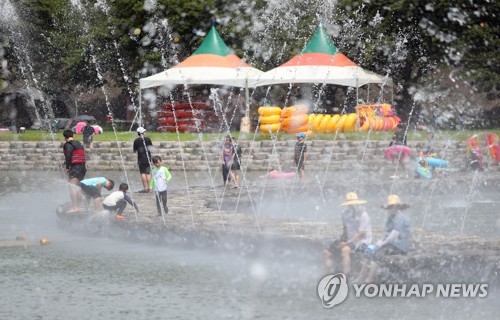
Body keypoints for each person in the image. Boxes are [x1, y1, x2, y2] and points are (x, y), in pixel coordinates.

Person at [356, 194, 411, 283]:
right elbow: (386, 233)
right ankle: (360, 277)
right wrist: (379, 241)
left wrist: (383, 243)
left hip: (398, 246)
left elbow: (394, 234)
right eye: (390, 207)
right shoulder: (390, 217)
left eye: (393, 206)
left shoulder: (400, 217)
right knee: (369, 252)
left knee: (377, 254)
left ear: (398, 207)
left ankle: (370, 279)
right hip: (389, 243)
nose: (391, 209)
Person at [324, 192, 372, 276]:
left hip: (361, 240)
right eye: (350, 204)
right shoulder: (344, 213)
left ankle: (346, 275)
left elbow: (361, 233)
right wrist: (342, 240)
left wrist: (347, 242)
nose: (352, 206)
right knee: (327, 252)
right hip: (348, 239)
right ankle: (329, 274)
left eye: (353, 204)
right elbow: (345, 229)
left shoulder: (363, 214)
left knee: (345, 250)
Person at [63, 129, 87, 213]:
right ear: (72, 136)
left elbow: (68, 156)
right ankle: (78, 207)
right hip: (82, 168)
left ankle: (75, 207)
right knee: (77, 187)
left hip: (75, 168)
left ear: (65, 137)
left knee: (72, 186)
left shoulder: (68, 144)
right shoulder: (79, 143)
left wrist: (67, 167)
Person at [133, 126, 153, 192]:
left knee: (142, 173)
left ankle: (145, 188)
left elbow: (134, 150)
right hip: (148, 158)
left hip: (141, 158)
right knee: (148, 173)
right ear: (143, 132)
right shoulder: (148, 139)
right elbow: (151, 148)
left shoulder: (136, 140)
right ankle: (150, 187)